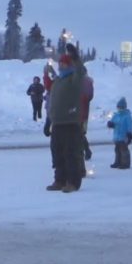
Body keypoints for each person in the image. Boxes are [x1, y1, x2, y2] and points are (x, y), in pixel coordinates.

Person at [46, 44, 87, 193]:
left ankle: (73, 182)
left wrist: (75, 57)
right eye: (60, 63)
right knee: (57, 153)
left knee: (71, 154)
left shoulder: (73, 79)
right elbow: (53, 100)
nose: (61, 65)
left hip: (70, 122)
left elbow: (81, 71)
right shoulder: (58, 81)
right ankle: (60, 180)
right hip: (57, 123)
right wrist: (48, 120)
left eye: (64, 63)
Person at [107, 97, 132, 169]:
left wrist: (129, 134)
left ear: (124, 107)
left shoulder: (127, 116)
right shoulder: (116, 115)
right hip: (117, 137)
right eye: (118, 107)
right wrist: (110, 124)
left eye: (121, 107)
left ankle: (125, 163)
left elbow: (130, 126)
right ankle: (118, 162)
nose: (119, 109)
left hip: (123, 137)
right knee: (117, 150)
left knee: (124, 151)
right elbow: (113, 122)